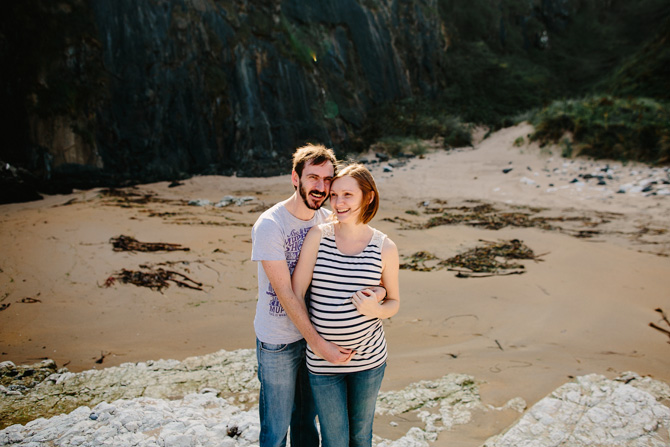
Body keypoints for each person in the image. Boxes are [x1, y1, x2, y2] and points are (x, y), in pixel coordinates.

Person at [251, 146, 386, 447]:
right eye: (313, 177)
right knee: (275, 428)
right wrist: (320, 344)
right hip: (280, 342)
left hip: (315, 344)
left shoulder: (328, 219)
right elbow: (286, 293)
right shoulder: (271, 225)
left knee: (306, 424)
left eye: (328, 179)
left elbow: (362, 259)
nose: (322, 187)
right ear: (294, 178)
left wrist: (380, 290)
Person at [291, 163, 400, 447]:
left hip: (369, 361)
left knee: (361, 437)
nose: (338, 203)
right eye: (334, 195)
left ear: (369, 196)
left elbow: (394, 302)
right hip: (322, 361)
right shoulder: (318, 236)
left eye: (348, 195)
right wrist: (317, 344)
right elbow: (296, 292)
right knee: (335, 440)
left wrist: (377, 309)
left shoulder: (385, 246)